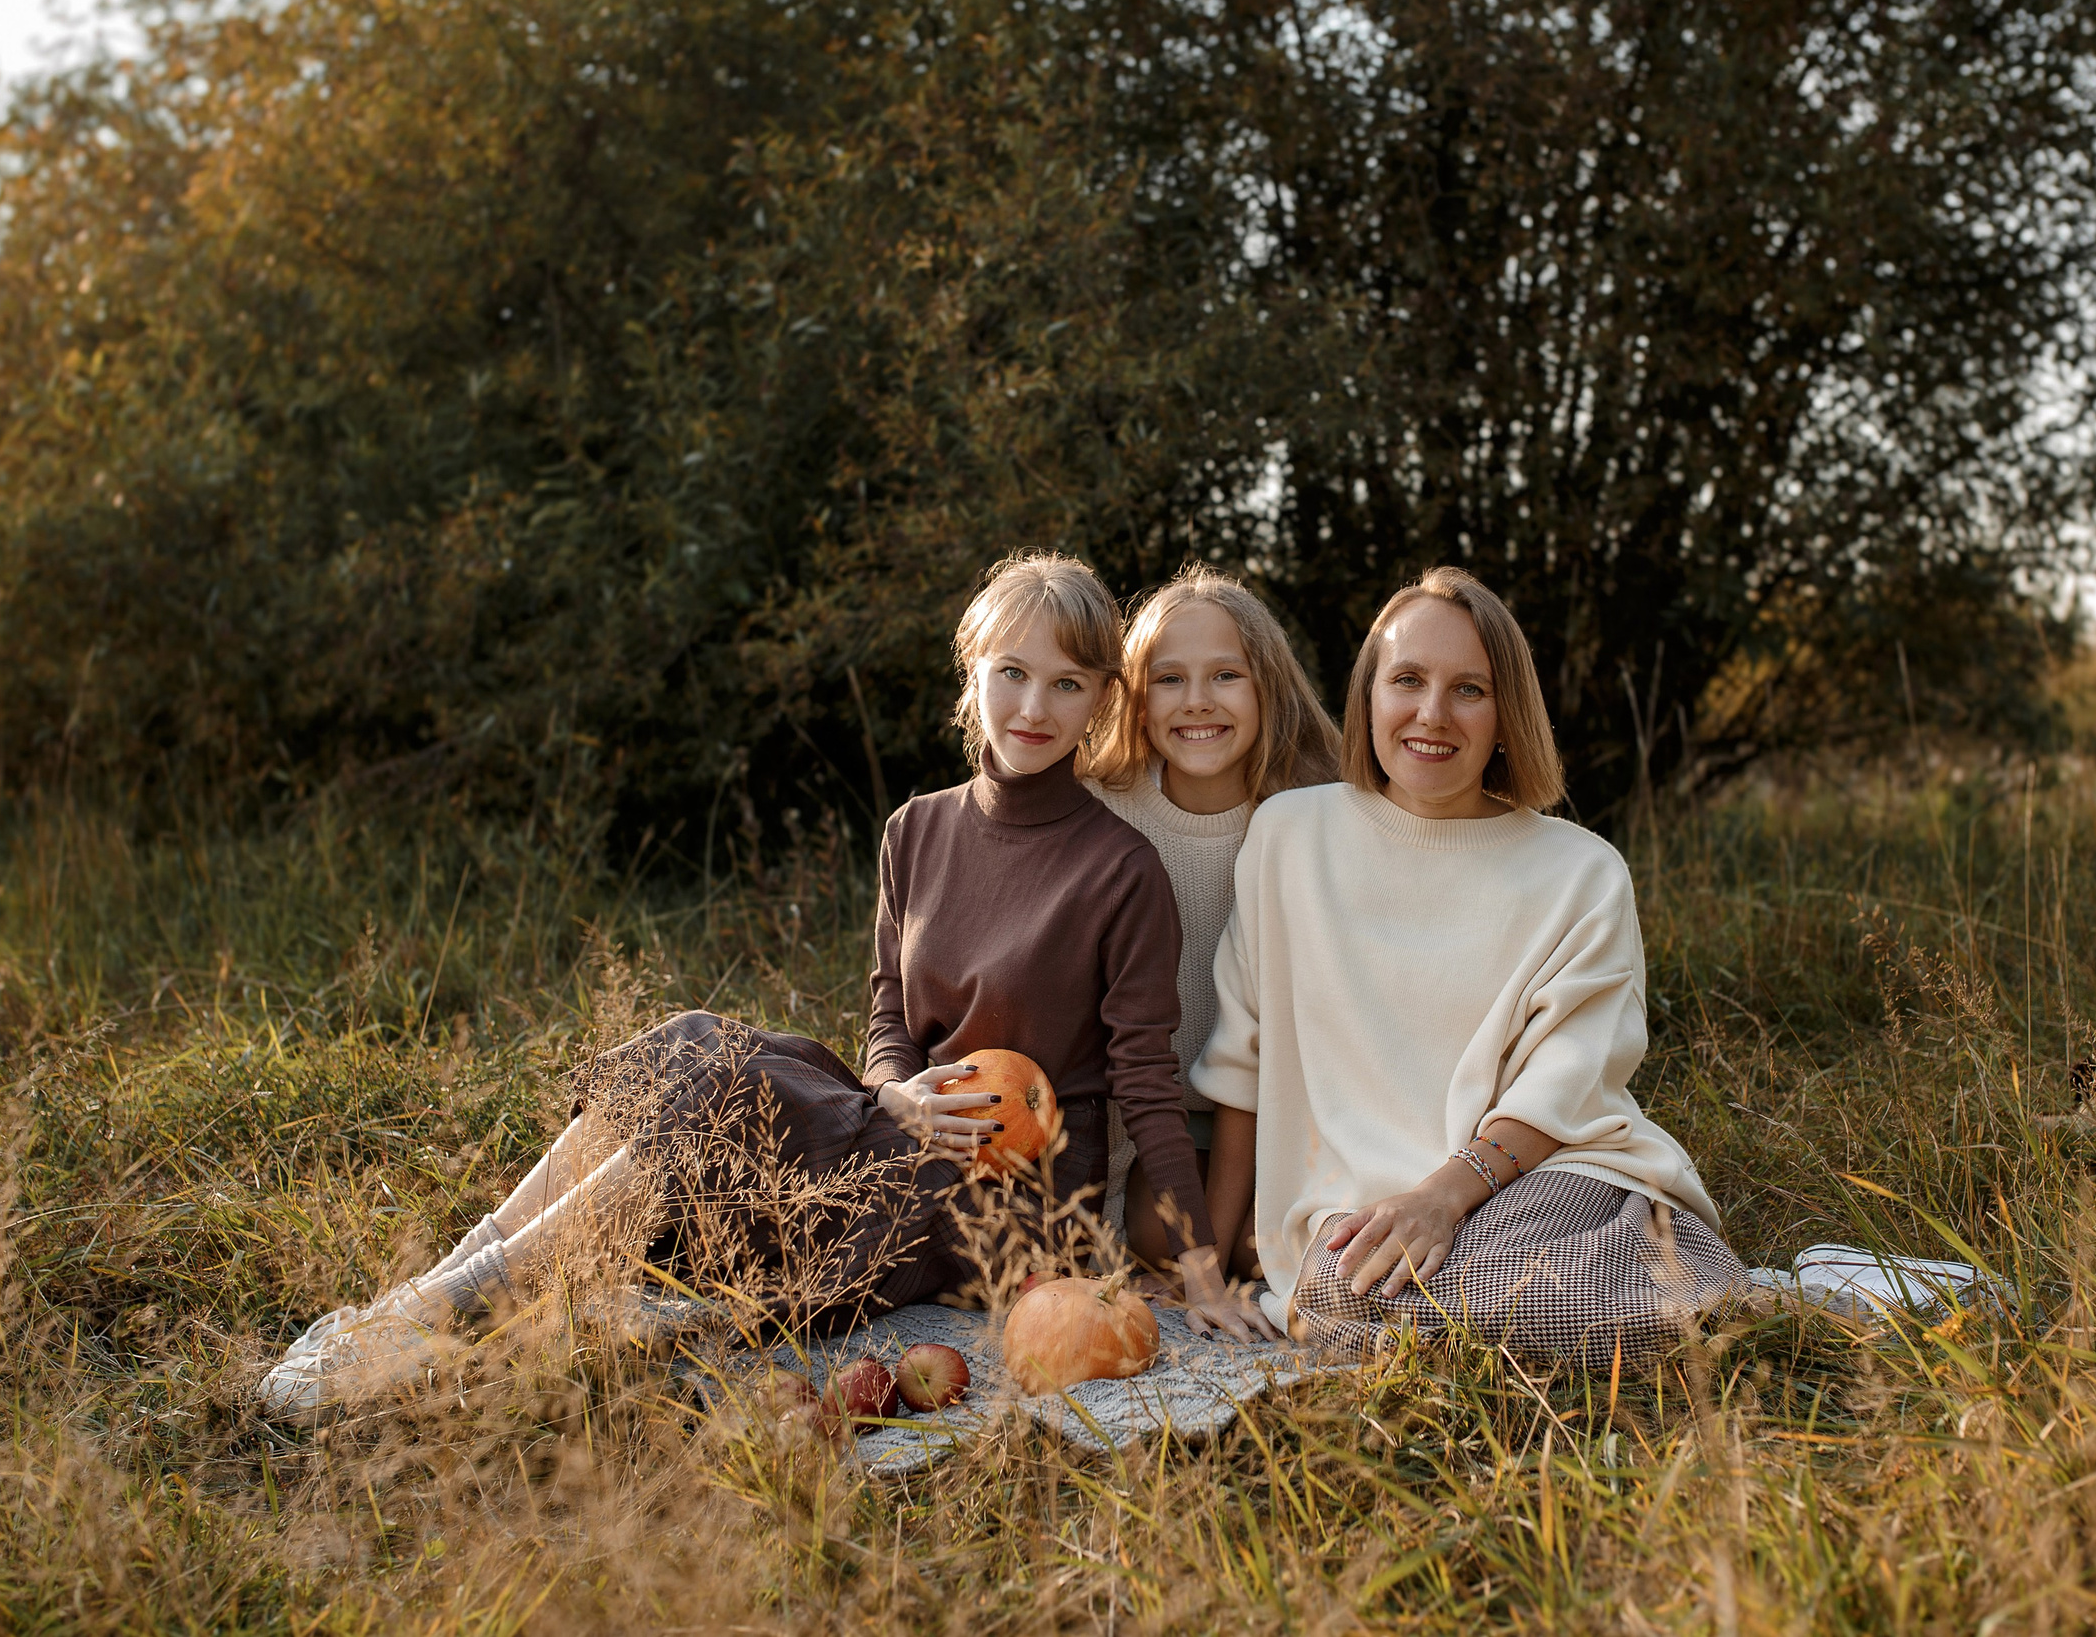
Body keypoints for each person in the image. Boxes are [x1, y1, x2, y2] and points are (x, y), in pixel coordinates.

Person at [259, 553, 1268, 1419]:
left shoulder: (1119, 867)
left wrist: (1197, 1271)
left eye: (1066, 684)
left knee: (746, 1089)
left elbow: (1142, 1074)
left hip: (1011, 1195)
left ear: (1101, 700)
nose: (1033, 708)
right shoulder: (915, 830)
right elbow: (887, 1013)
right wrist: (892, 1090)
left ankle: (431, 1317)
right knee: (700, 1048)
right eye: (1011, 673)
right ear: (971, 675)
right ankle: (429, 1300)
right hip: (903, 1125)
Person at [1190, 567, 1743, 1365]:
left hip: (1536, 1183)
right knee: (1348, 1293)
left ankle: (1681, 1298)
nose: (1432, 714)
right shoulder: (1288, 838)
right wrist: (1214, 1259)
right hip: (1360, 1222)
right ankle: (1682, 1314)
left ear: (1506, 713)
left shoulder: (1582, 872)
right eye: (1407, 679)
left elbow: (1568, 1080)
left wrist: (1441, 1199)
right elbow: (1241, 1069)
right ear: (1368, 697)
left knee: (1466, 1300)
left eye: (1469, 690)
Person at [1080, 566, 1342, 1271]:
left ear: (1267, 687)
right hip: (1147, 1121)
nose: (1197, 702)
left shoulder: (1313, 816)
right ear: (1135, 699)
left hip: (1280, 1116)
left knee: (1273, 1250)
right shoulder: (1100, 810)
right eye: (1169, 679)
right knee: (1163, 1238)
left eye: (1226, 674)